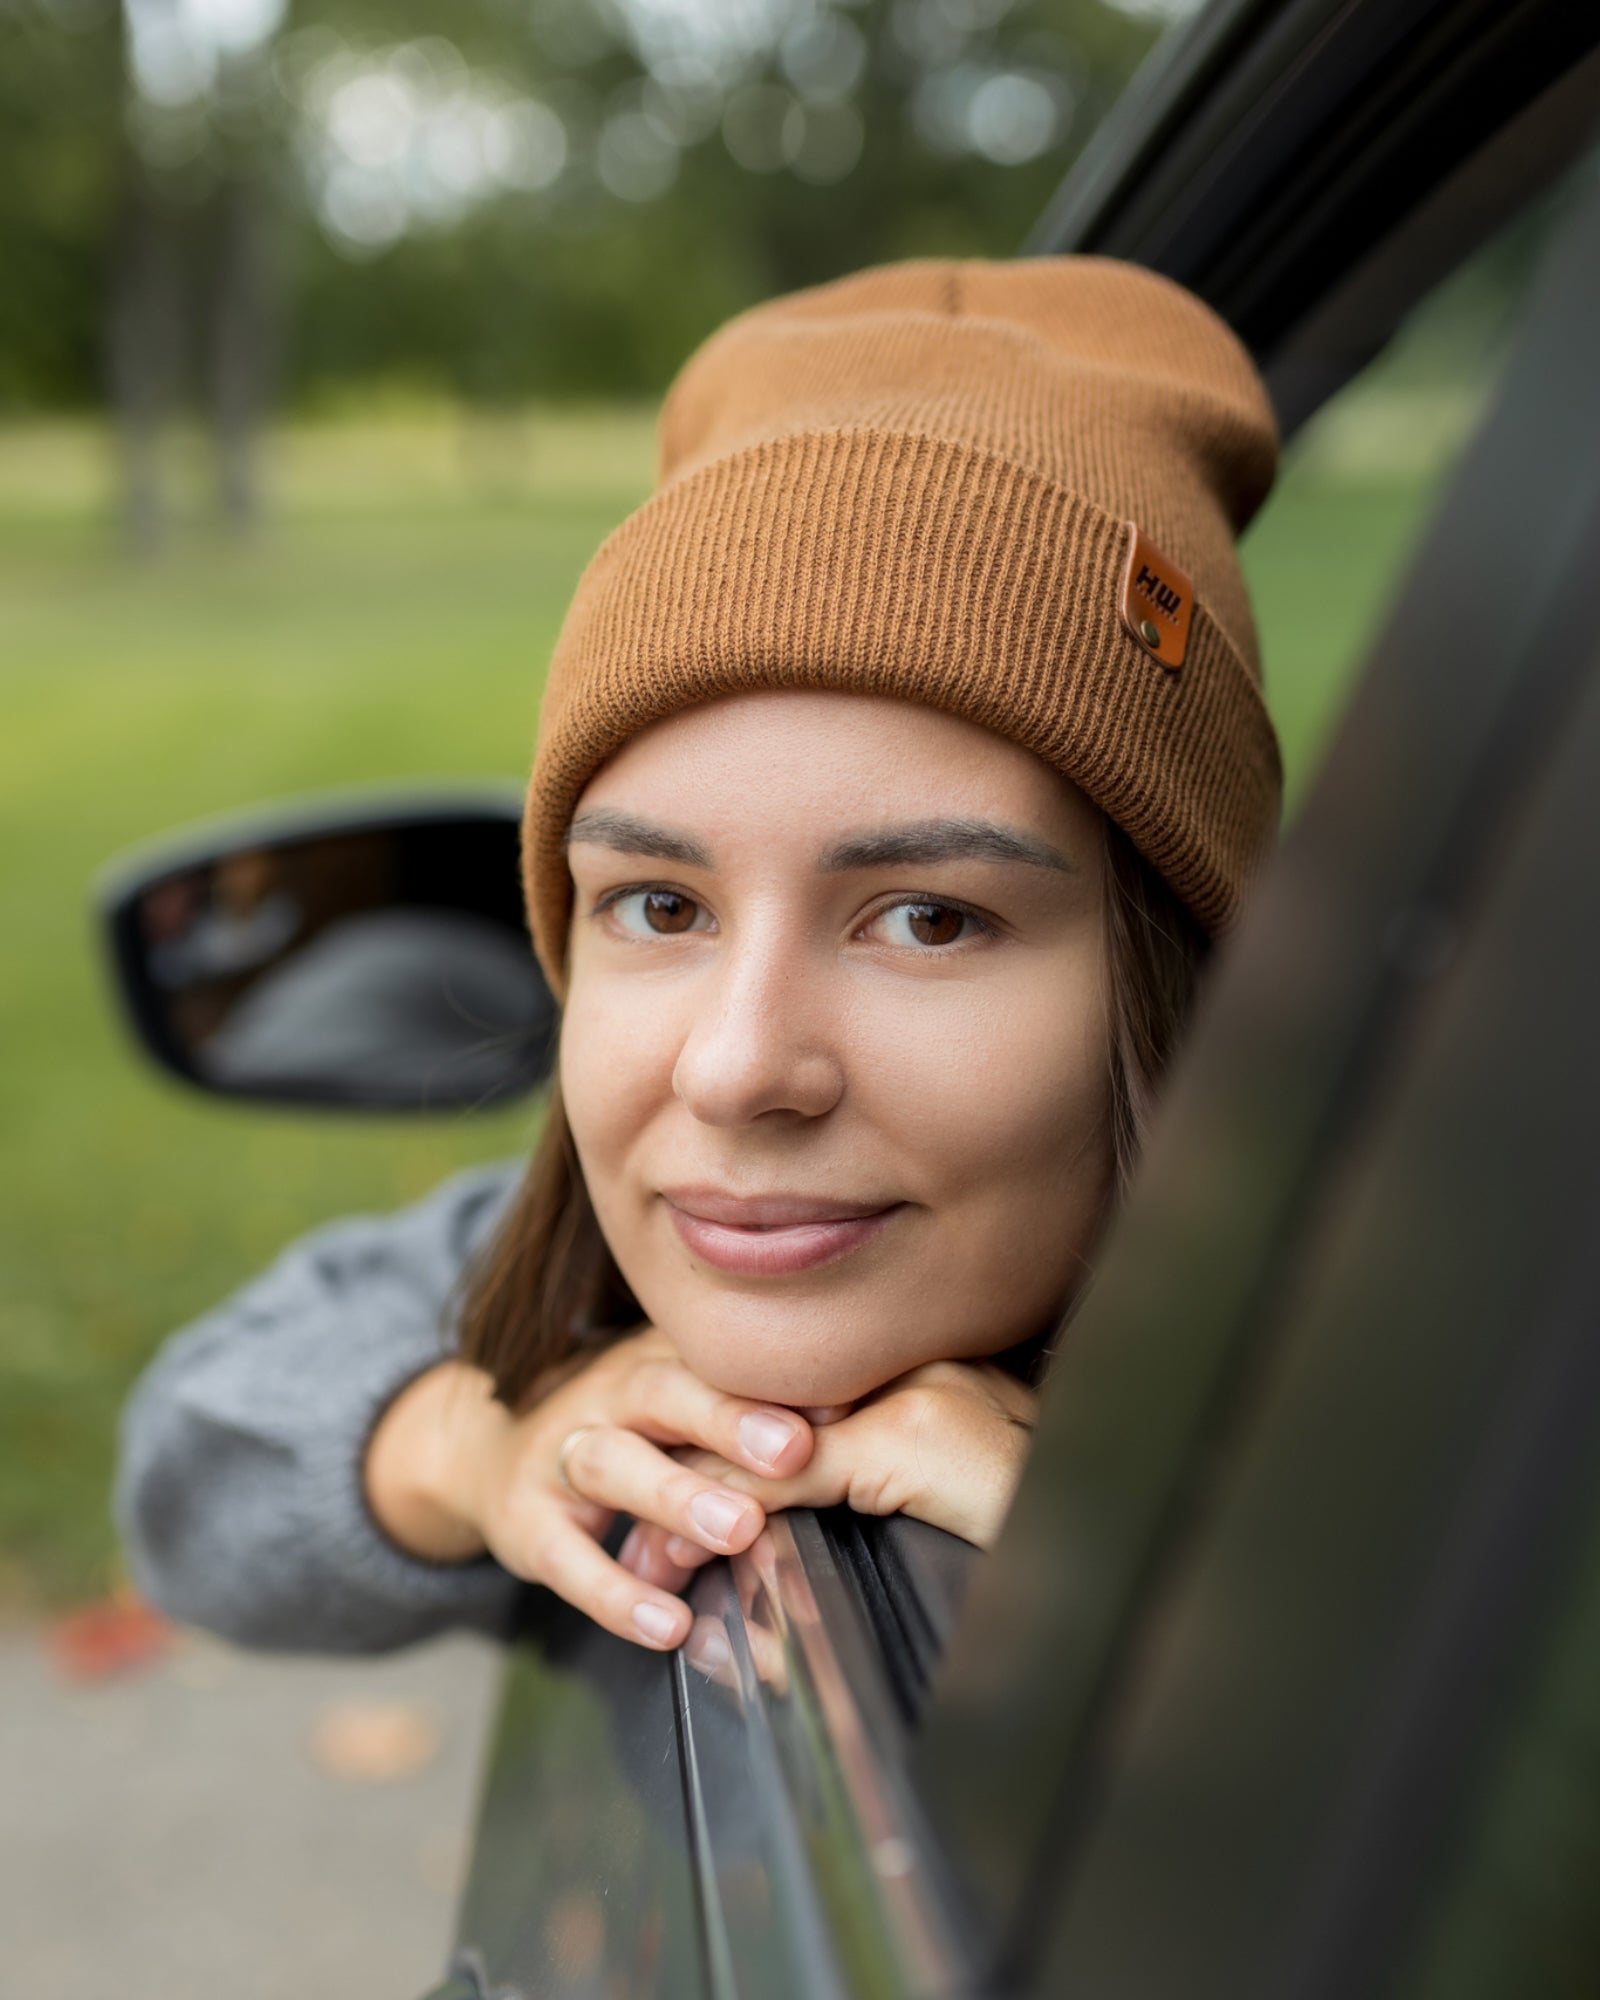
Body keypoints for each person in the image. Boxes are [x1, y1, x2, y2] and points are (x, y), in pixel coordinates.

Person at [116, 256, 1280, 1658]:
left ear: (1180, 989)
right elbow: (192, 1469)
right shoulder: (574, 1293)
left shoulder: (1427, 1415)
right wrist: (470, 1450)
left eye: (928, 918)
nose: (734, 1071)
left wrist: (1165, 1576)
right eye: (661, 908)